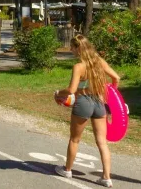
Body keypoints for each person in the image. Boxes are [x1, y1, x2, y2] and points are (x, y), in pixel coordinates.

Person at [54, 34, 120, 188]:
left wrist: (58, 93)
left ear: (79, 48)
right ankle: (106, 178)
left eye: (72, 47)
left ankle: (67, 170)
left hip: (83, 102)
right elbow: (116, 78)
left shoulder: (79, 66)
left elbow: (71, 90)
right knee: (102, 142)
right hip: (99, 102)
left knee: (75, 139)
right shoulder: (100, 62)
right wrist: (111, 96)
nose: (71, 50)